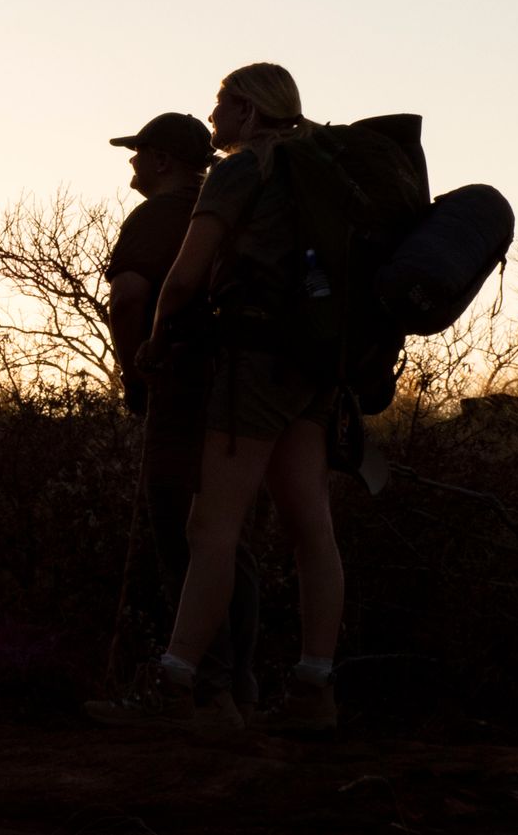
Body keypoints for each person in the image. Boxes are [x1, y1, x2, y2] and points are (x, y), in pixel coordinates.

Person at [103, 63, 345, 733]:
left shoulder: (242, 170)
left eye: (221, 105)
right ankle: (314, 686)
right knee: (311, 528)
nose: (213, 122)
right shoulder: (319, 169)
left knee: (211, 526)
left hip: (253, 361)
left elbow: (183, 277)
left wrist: (151, 346)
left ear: (247, 109)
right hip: (315, 365)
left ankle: (177, 680)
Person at [85, 112, 260, 728]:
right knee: (223, 538)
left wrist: (136, 375)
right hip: (242, 398)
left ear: (162, 161)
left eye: (140, 153)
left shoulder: (158, 215)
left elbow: (131, 294)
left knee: (179, 531)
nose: (132, 163)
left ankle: (201, 694)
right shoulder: (231, 212)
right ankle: (239, 691)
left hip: (181, 386)